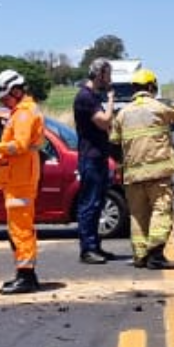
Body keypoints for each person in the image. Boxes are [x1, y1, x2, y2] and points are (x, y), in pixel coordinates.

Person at [109, 67, 174, 269]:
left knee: (137, 214)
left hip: (132, 176)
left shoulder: (122, 114)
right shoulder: (158, 108)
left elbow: (113, 145)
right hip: (158, 174)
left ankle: (140, 256)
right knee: (161, 211)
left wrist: (123, 167)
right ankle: (156, 255)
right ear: (150, 86)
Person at [0, 69, 45, 294]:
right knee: (17, 228)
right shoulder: (20, 112)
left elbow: (19, 145)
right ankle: (24, 274)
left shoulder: (24, 114)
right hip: (17, 178)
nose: (5, 103)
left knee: (21, 229)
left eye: (6, 98)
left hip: (21, 179)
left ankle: (26, 277)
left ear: (16, 91)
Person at [72, 58, 118, 264]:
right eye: (108, 74)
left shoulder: (92, 96)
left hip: (98, 156)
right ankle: (87, 249)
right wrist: (110, 100)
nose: (110, 79)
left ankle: (95, 246)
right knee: (89, 204)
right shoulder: (85, 97)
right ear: (99, 74)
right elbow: (105, 121)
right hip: (90, 158)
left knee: (97, 203)